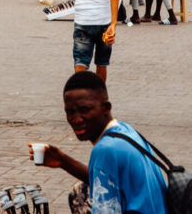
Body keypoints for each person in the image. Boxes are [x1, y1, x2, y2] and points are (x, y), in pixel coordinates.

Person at [29, 70, 168, 214]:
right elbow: (104, 178)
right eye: (70, 112)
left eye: (84, 110)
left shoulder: (105, 149)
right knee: (79, 191)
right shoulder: (125, 131)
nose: (76, 119)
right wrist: (63, 161)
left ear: (106, 108)